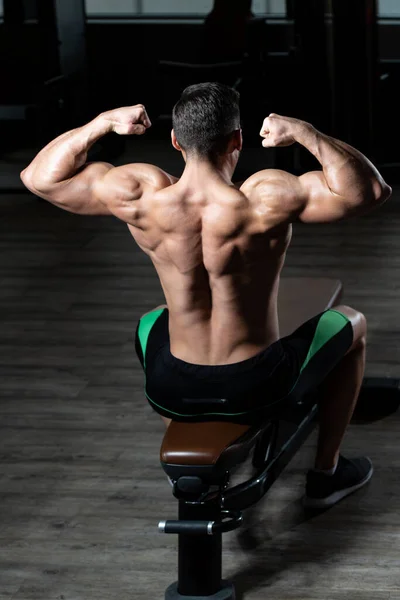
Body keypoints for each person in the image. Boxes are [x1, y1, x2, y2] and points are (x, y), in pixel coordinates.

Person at [20, 82, 392, 509]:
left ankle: (192, 422)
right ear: (237, 140)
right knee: (351, 321)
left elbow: (38, 177)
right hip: (258, 382)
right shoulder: (265, 198)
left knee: (152, 319)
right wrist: (305, 132)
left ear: (176, 141)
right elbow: (370, 191)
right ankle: (326, 474)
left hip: (171, 387)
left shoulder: (141, 196)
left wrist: (102, 124)